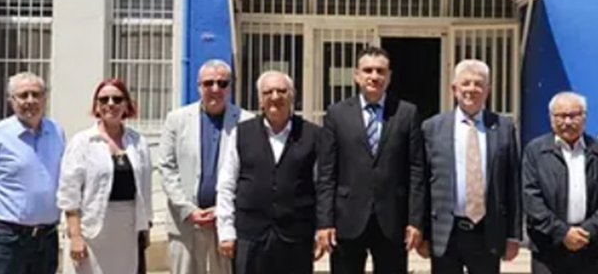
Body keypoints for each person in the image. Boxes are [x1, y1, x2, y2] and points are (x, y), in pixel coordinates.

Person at [316, 46, 425, 274]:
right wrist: (325, 222)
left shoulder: (407, 113)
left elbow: (416, 171)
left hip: (392, 219)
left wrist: (415, 221)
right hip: (347, 218)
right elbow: (327, 173)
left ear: (389, 76)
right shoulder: (337, 114)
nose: (374, 76)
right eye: (368, 70)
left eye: (380, 71)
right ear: (356, 75)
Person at [419, 59, 521, 274]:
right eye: (465, 83)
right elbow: (423, 184)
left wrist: (513, 235)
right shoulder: (432, 127)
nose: (471, 89)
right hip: (446, 232)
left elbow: (513, 183)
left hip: (488, 232)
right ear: (454, 88)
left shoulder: (503, 127)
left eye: (478, 84)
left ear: (488, 90)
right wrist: (423, 232)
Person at [216, 70, 324, 274]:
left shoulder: (314, 135)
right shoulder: (241, 133)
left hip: (296, 237)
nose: (275, 97)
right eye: (268, 92)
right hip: (250, 237)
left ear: (292, 96)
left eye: (282, 91)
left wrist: (320, 230)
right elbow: (226, 184)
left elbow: (322, 187)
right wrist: (226, 231)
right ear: (260, 100)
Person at [0, 72, 66, 274]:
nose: (30, 100)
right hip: (6, 239)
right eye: (23, 95)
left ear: (45, 97)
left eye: (36, 94)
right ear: (11, 101)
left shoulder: (56, 132)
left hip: (46, 238)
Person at [157, 60, 254, 274]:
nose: (215, 89)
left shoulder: (247, 122)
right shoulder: (176, 120)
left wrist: (221, 210)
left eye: (222, 83)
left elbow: (251, 174)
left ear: (230, 86)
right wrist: (188, 209)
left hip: (228, 225)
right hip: (185, 224)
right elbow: (166, 168)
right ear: (199, 86)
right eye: (209, 83)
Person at [59, 78, 155, 274]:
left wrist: (146, 226)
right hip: (91, 229)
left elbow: (145, 187)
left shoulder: (138, 142)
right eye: (104, 99)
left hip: (127, 230)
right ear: (96, 105)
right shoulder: (82, 142)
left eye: (117, 99)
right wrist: (75, 236)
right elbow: (69, 193)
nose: (110, 104)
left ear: (126, 105)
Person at [523, 92, 598, 274]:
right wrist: (562, 232)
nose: (568, 121)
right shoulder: (536, 151)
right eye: (561, 116)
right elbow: (530, 197)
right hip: (548, 246)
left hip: (589, 246)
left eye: (574, 115)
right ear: (551, 118)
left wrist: (589, 230)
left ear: (584, 117)